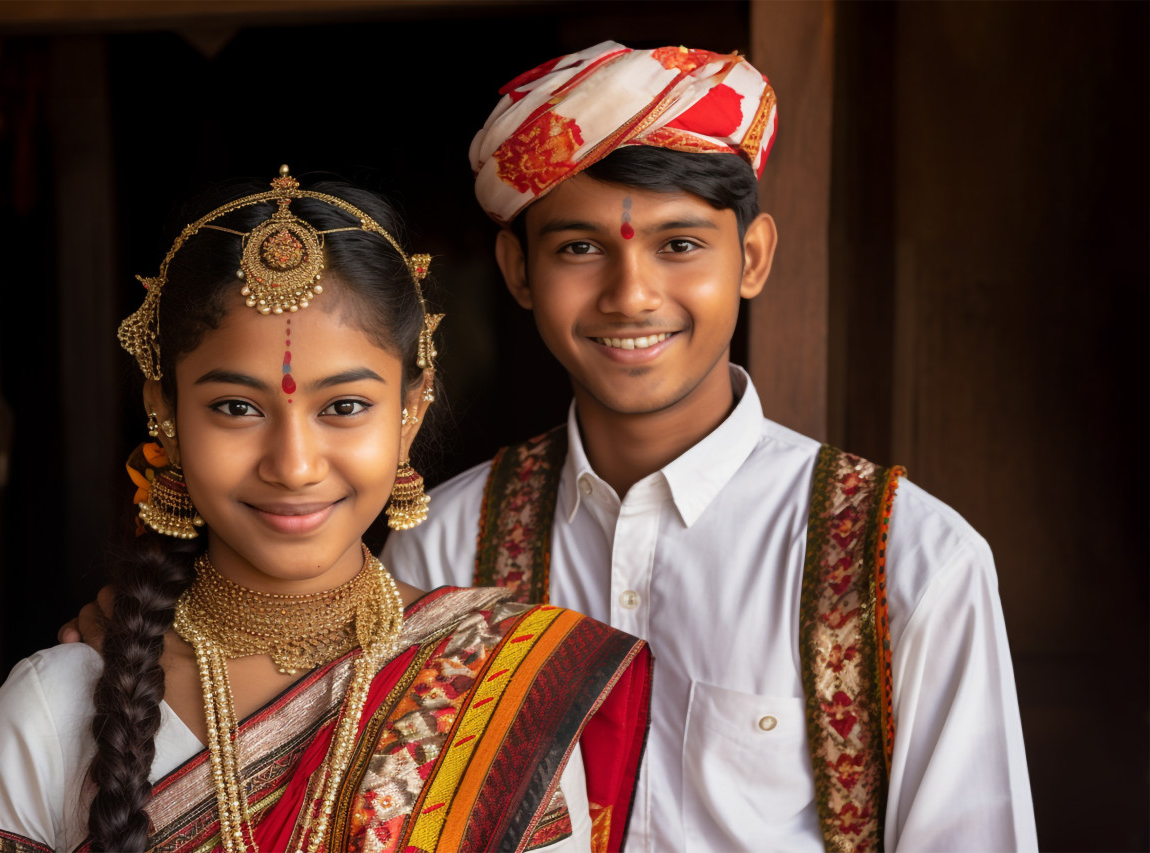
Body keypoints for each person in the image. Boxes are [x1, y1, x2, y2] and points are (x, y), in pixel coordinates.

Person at [383, 42, 1037, 851]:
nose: (631, 294)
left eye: (679, 245)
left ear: (752, 257)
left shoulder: (911, 563)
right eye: (580, 248)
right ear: (518, 270)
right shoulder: (438, 550)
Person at [0, 170, 651, 853]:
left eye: (344, 407)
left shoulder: (503, 692)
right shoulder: (51, 709)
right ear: (163, 411)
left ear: (410, 410)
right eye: (236, 408)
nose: (293, 463)